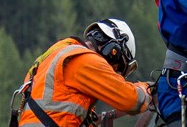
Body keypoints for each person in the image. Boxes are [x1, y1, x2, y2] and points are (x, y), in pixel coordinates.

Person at [10, 18, 153, 127]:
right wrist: (148, 89)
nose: (112, 72)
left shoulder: (57, 55)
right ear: (113, 51)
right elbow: (132, 101)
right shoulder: (86, 61)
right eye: (117, 67)